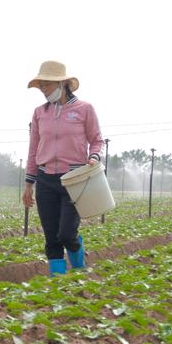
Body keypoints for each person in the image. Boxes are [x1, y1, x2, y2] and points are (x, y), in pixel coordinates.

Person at [22, 61, 103, 276]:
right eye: (41, 86)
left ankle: (79, 270)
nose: (43, 90)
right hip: (45, 179)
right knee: (51, 238)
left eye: (46, 85)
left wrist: (93, 156)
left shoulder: (84, 109)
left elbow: (96, 139)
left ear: (62, 83)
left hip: (73, 180)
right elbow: (33, 148)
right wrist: (29, 183)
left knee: (66, 233)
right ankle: (57, 282)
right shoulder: (40, 113)